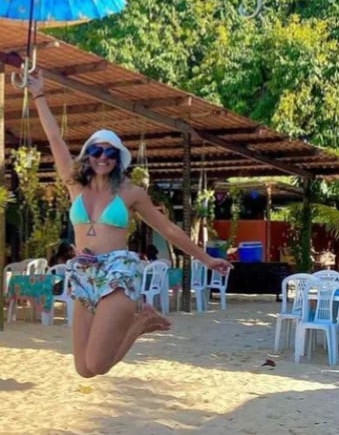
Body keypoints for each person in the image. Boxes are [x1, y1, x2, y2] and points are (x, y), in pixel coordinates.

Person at [28, 71, 232, 379]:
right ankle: (144, 321)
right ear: (88, 155)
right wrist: (38, 95)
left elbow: (169, 230)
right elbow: (55, 140)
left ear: (118, 159)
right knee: (83, 369)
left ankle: (138, 323)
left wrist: (206, 258)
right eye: (97, 150)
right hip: (84, 271)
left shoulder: (131, 193)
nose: (103, 157)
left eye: (110, 153)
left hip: (117, 273)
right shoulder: (74, 185)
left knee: (97, 364)